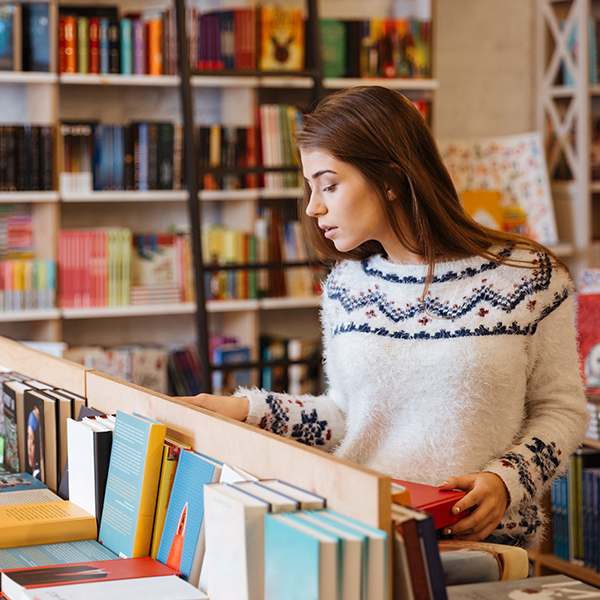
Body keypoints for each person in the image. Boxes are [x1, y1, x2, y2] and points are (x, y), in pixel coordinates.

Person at [179, 86, 588, 550]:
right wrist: (245, 409)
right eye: (311, 187)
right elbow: (349, 418)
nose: (313, 207)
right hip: (364, 531)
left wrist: (505, 482)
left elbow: (562, 411)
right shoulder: (347, 287)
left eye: (329, 184)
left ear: (391, 179)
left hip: (481, 544)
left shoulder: (530, 277)